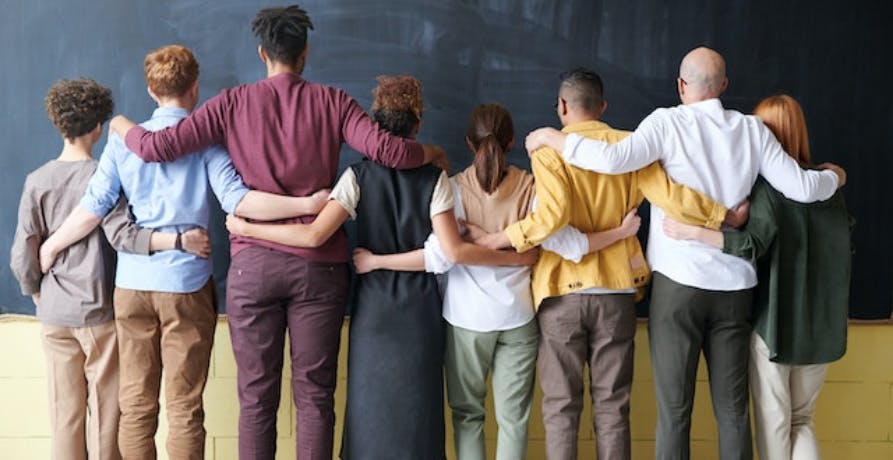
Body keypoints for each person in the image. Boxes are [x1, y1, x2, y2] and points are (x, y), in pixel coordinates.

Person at [108, 6, 445, 459]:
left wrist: (120, 125)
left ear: (262, 53)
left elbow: (157, 147)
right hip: (319, 272)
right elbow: (388, 151)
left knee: (256, 401)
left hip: (253, 271)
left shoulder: (230, 103)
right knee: (315, 397)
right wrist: (435, 151)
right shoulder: (334, 101)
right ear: (305, 52)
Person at [525, 48, 846, 460]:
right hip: (735, 288)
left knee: (674, 412)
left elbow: (613, 159)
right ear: (724, 87)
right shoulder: (752, 130)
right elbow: (802, 189)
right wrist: (833, 177)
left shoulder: (666, 123)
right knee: (732, 411)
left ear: (680, 86)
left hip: (677, 288)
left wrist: (554, 136)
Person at [38, 45, 327, 460]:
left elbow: (92, 209)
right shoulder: (207, 143)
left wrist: (51, 245)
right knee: (185, 407)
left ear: (151, 92)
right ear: (195, 88)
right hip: (186, 286)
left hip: (132, 287)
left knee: (135, 406)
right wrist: (307, 205)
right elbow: (239, 201)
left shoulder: (122, 144)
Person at [226, 76, 536, 460]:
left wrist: (246, 227)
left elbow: (312, 237)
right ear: (418, 124)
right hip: (420, 310)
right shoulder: (435, 179)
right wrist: (515, 257)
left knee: (370, 411)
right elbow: (450, 251)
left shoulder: (356, 177)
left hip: (374, 309)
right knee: (419, 414)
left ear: (374, 126)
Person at [470, 68, 734, 460]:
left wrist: (496, 239)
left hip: (562, 293)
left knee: (561, 408)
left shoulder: (548, 152)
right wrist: (722, 215)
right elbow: (672, 196)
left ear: (562, 106)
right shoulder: (630, 147)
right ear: (603, 107)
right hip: (616, 291)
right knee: (613, 408)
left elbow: (550, 218)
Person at [9, 78, 206, 460]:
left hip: (54, 314)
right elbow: (122, 235)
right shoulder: (104, 174)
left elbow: (23, 252)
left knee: (64, 415)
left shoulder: (36, 180)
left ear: (58, 124)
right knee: (108, 415)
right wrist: (175, 241)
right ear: (99, 127)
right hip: (99, 312)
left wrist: (36, 290)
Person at [662, 94, 852, 460]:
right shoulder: (830, 189)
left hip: (776, 324)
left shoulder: (767, 191)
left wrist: (696, 233)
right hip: (823, 325)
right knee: (803, 419)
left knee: (775, 421)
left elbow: (753, 244)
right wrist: (837, 174)